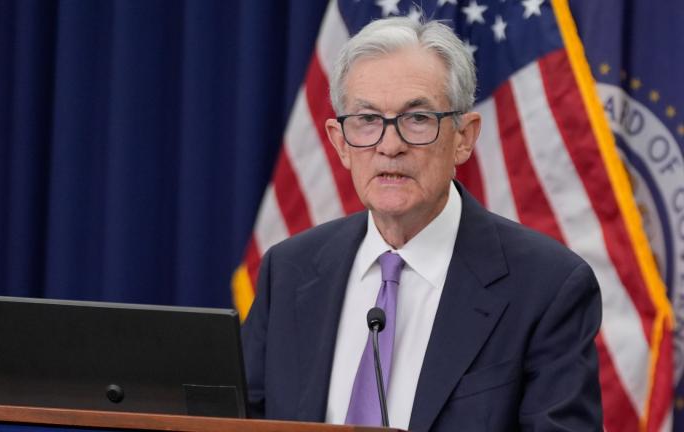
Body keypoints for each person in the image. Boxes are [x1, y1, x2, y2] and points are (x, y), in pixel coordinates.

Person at [241, 16, 602, 431]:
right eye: (367, 120)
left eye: (417, 119)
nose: (389, 146)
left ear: (464, 137)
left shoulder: (547, 287)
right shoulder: (288, 271)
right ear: (340, 143)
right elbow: (240, 422)